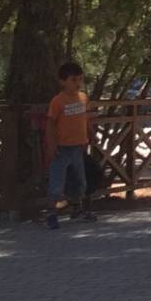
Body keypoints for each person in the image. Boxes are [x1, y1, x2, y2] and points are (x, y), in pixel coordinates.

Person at [45, 61, 96, 229]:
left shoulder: (83, 98)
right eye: (73, 80)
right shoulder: (58, 101)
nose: (77, 83)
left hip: (79, 147)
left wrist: (90, 133)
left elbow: (86, 118)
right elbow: (51, 124)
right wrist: (52, 146)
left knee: (80, 181)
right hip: (62, 147)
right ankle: (51, 212)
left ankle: (77, 209)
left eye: (80, 80)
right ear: (63, 81)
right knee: (57, 182)